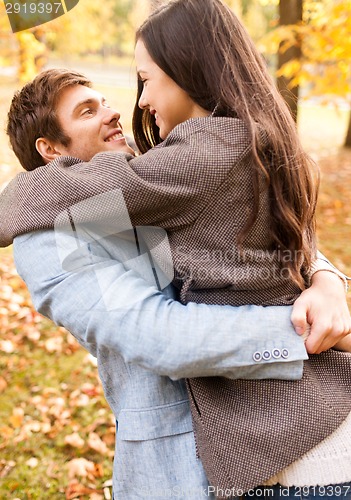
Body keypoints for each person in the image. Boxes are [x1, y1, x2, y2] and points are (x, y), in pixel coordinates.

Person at [1, 14, 350, 499]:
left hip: (290, 442)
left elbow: (280, 239)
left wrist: (327, 281)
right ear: (50, 150)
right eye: (87, 111)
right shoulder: (49, 237)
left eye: (110, 100)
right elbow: (161, 336)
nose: (121, 110)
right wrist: (310, 332)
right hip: (189, 465)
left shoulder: (171, 171)